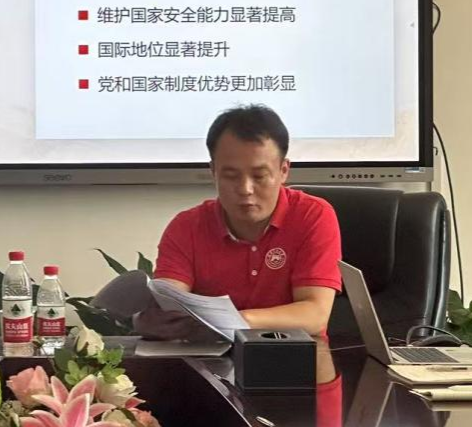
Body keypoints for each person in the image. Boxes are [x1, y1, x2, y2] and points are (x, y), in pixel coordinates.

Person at [138, 104, 342, 344]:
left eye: (259, 176)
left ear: (283, 170)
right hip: (211, 360)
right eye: (231, 176)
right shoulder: (186, 227)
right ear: (213, 171)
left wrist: (237, 321)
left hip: (295, 358)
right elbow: (171, 300)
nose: (245, 189)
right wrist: (154, 319)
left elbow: (315, 314)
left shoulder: (313, 215)